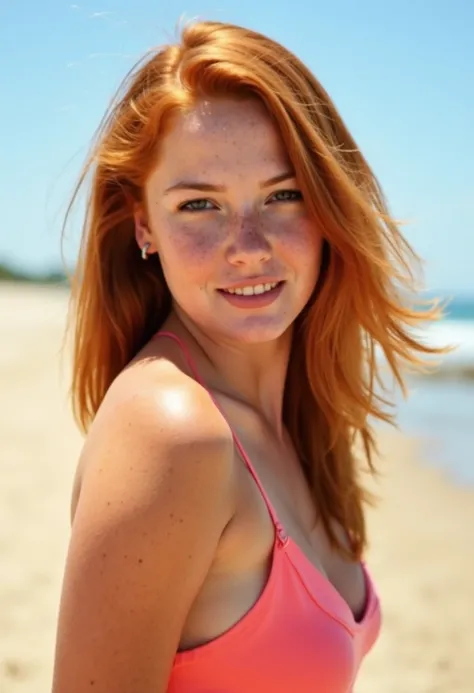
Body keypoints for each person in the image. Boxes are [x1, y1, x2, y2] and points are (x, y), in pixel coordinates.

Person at [51, 19, 442, 693]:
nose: (249, 245)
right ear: (143, 222)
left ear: (327, 204)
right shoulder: (173, 431)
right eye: (199, 204)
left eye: (282, 194)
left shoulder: (300, 417)